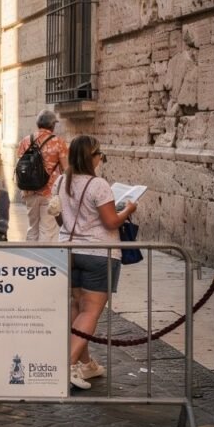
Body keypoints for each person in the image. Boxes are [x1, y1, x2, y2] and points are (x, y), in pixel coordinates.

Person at [55, 136, 137, 389]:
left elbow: (59, 219)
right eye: (99, 154)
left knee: (76, 307)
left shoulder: (61, 180)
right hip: (98, 253)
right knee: (90, 311)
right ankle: (67, 364)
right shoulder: (98, 184)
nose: (101, 158)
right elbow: (111, 222)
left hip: (68, 250)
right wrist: (128, 210)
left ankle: (87, 364)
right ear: (92, 157)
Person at [18, 110, 69, 242]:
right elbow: (66, 169)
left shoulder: (25, 141)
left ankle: (30, 259)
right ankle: (43, 261)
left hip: (28, 191)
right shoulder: (58, 142)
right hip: (49, 192)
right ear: (52, 125)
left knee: (32, 227)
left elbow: (20, 165)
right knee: (47, 229)